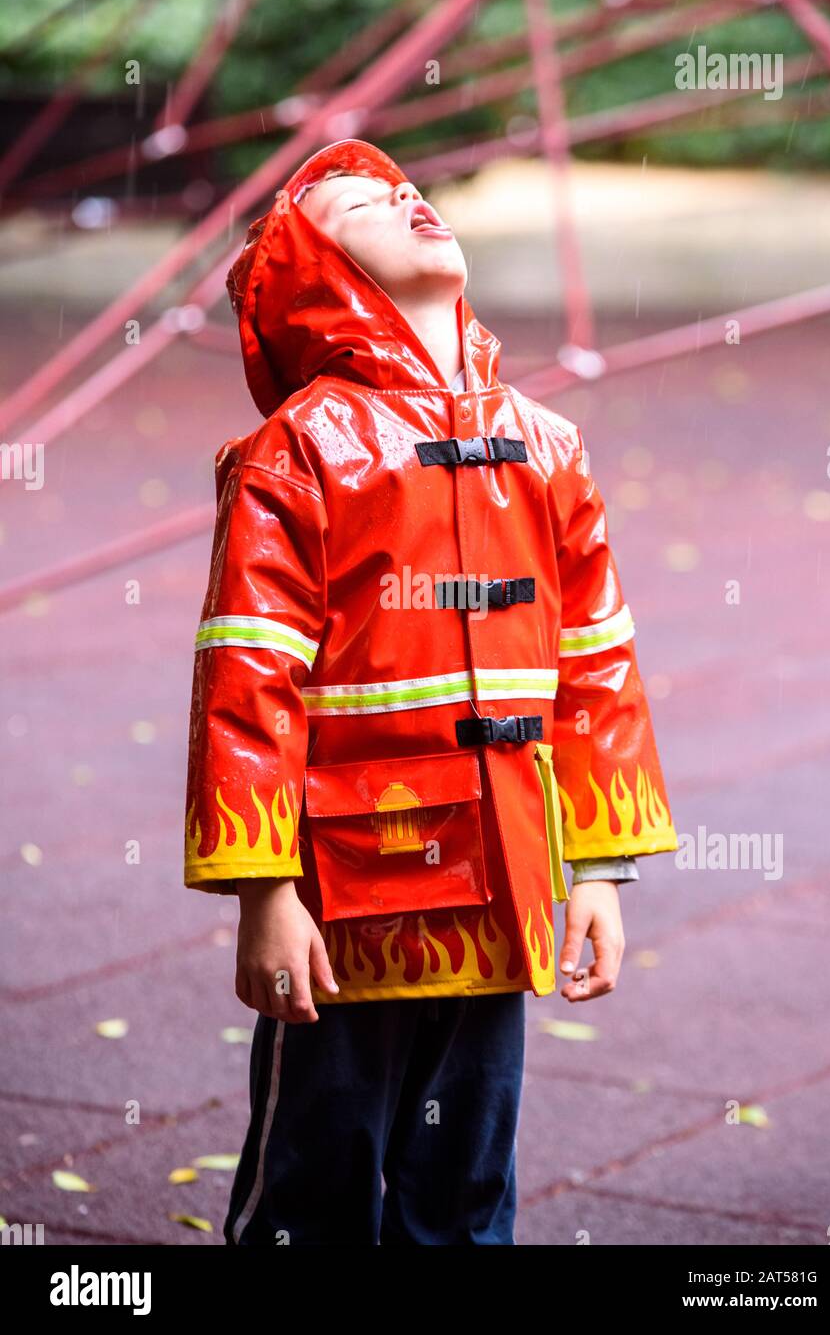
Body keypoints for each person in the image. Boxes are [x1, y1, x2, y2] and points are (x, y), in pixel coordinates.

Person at [182, 138, 678, 1245]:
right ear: (312, 270)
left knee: (465, 1179)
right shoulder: (296, 452)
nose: (408, 199)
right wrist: (265, 891)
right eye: (363, 202)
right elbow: (249, 674)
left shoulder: (545, 446)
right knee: (313, 1173)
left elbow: (595, 659)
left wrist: (598, 863)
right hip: (347, 894)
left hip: (499, 877)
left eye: (412, 187)